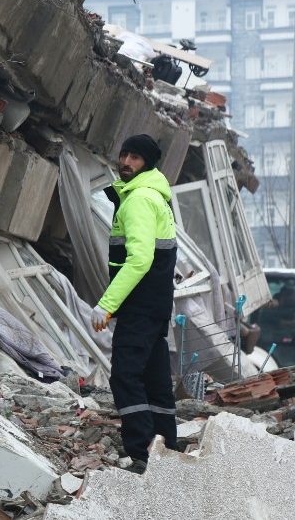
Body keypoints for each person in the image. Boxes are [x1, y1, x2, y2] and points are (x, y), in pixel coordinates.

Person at [90, 134, 177, 473]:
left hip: (139, 305)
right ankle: (167, 449)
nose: (126, 161)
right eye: (124, 154)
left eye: (135, 158)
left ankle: (141, 453)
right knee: (155, 378)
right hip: (155, 305)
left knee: (125, 375)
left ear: (148, 164)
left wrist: (107, 304)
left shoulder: (139, 199)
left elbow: (139, 259)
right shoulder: (156, 196)